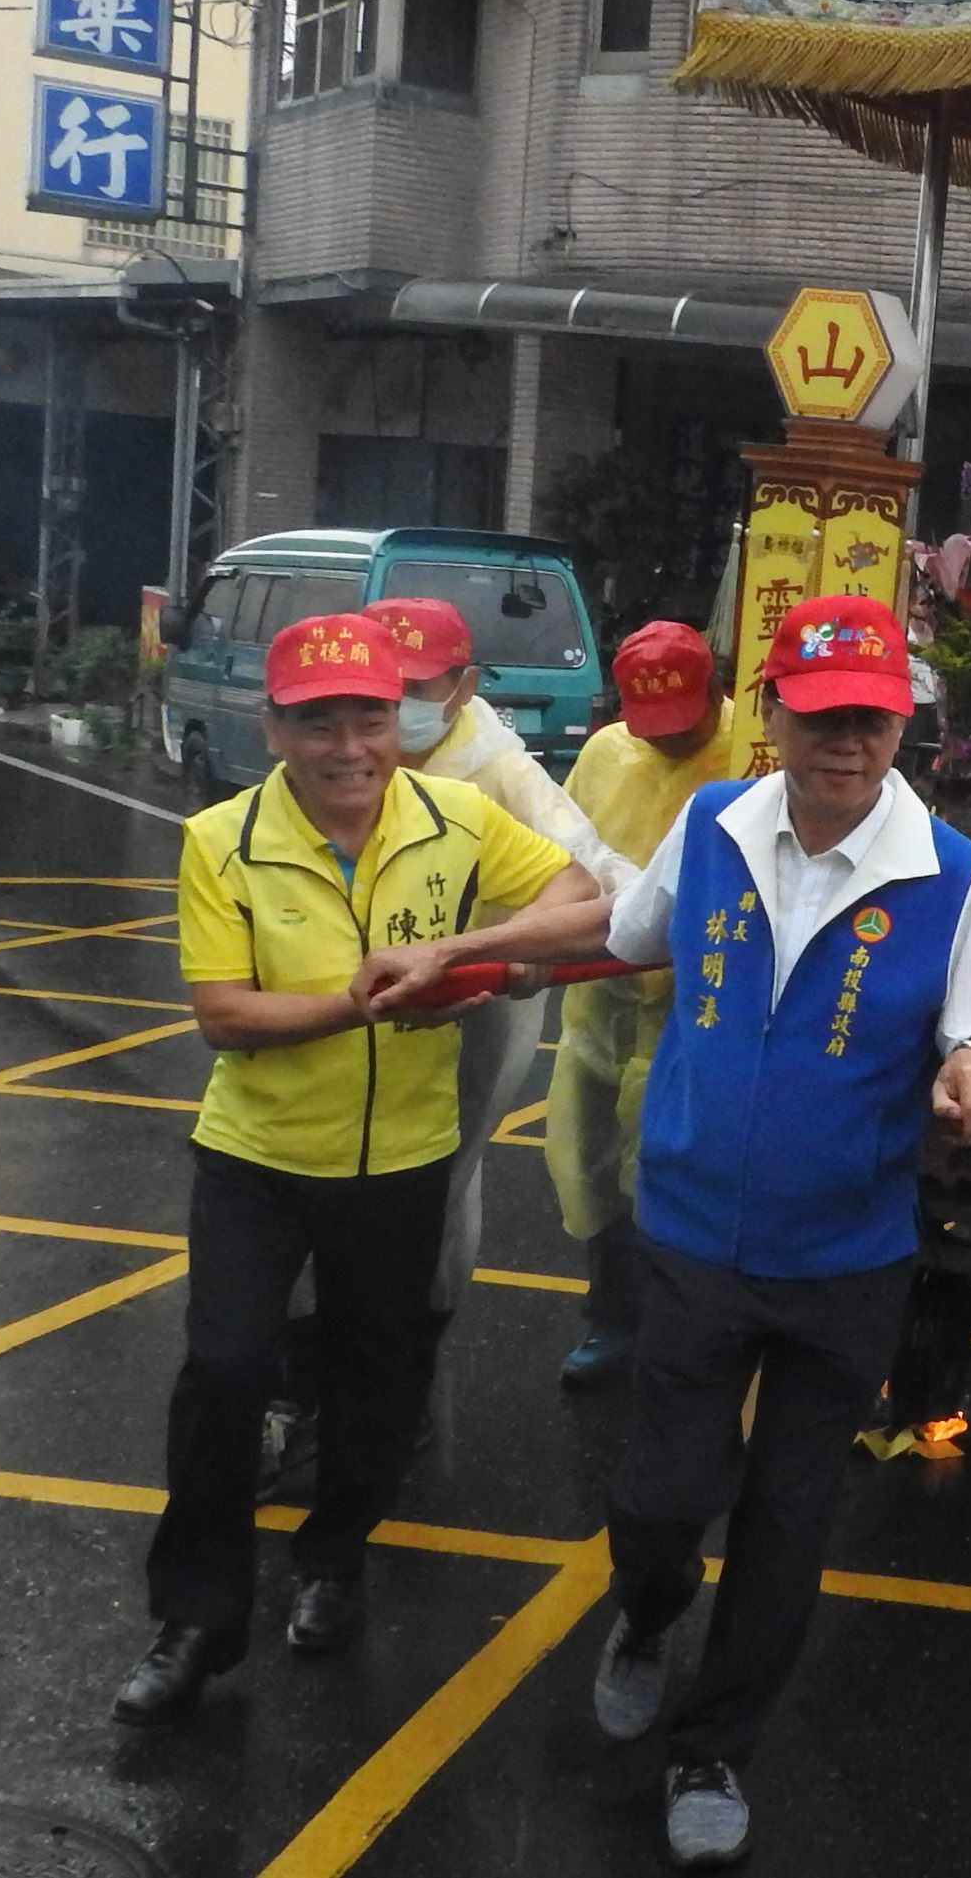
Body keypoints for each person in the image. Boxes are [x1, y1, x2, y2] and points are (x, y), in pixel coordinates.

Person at [351, 595, 971, 1872]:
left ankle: (713, 1748)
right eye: (821, 717)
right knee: (660, 1500)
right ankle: (648, 1610)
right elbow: (614, 927)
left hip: (845, 1256)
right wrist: (464, 949)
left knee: (788, 1521)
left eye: (872, 719)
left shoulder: (950, 872)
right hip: (697, 1234)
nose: (847, 742)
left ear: (902, 726)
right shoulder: (714, 825)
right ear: (771, 714)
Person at [113, 613, 595, 1727]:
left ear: (403, 720)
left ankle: (334, 1561)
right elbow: (224, 1015)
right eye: (318, 722)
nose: (349, 747)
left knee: (377, 1378)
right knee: (227, 1369)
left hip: (403, 1161)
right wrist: (363, 1002)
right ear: (274, 728)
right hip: (258, 1157)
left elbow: (578, 894)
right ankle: (195, 1617)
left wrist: (482, 956)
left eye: (369, 718)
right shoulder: (223, 840)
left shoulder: (456, 816)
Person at [544, 621, 736, 1389]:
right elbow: (566, 856)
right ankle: (612, 1319)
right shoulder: (604, 753)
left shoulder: (749, 755)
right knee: (590, 1161)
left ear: (717, 693)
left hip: (694, 1007)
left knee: (670, 1175)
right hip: (603, 995)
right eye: (649, 724)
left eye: (682, 722)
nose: (665, 739)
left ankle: (676, 1335)